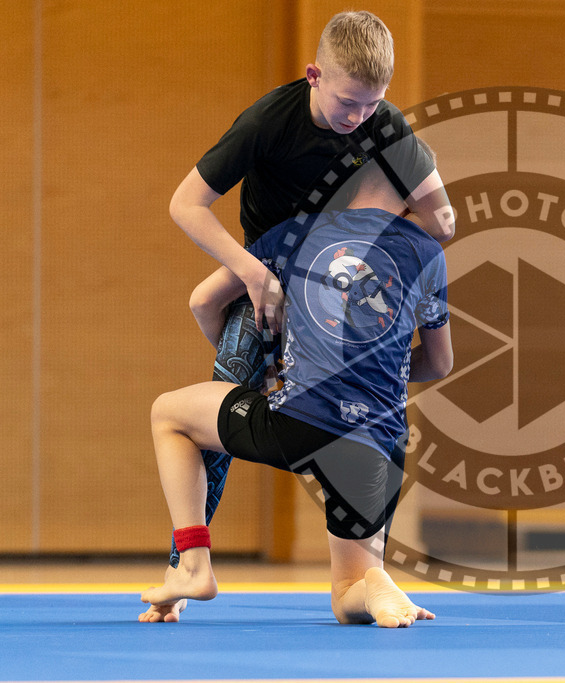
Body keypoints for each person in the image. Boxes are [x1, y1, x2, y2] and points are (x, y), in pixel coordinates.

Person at [160, 9, 454, 600]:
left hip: (325, 273)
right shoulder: (271, 120)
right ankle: (187, 565)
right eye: (349, 103)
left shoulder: (385, 126)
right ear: (314, 74)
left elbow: (442, 221)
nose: (359, 119)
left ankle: (363, 569)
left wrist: (357, 242)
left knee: (364, 396)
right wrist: (252, 271)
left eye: (373, 105)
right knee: (224, 392)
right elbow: (186, 204)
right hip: (265, 270)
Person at [140, 144, 453, 627]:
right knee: (348, 594)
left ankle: (193, 564)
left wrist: (267, 361)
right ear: (415, 192)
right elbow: (439, 362)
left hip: (300, 422)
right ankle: (374, 584)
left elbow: (204, 302)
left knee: (169, 414)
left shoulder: (291, 234)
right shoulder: (428, 253)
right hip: (383, 443)